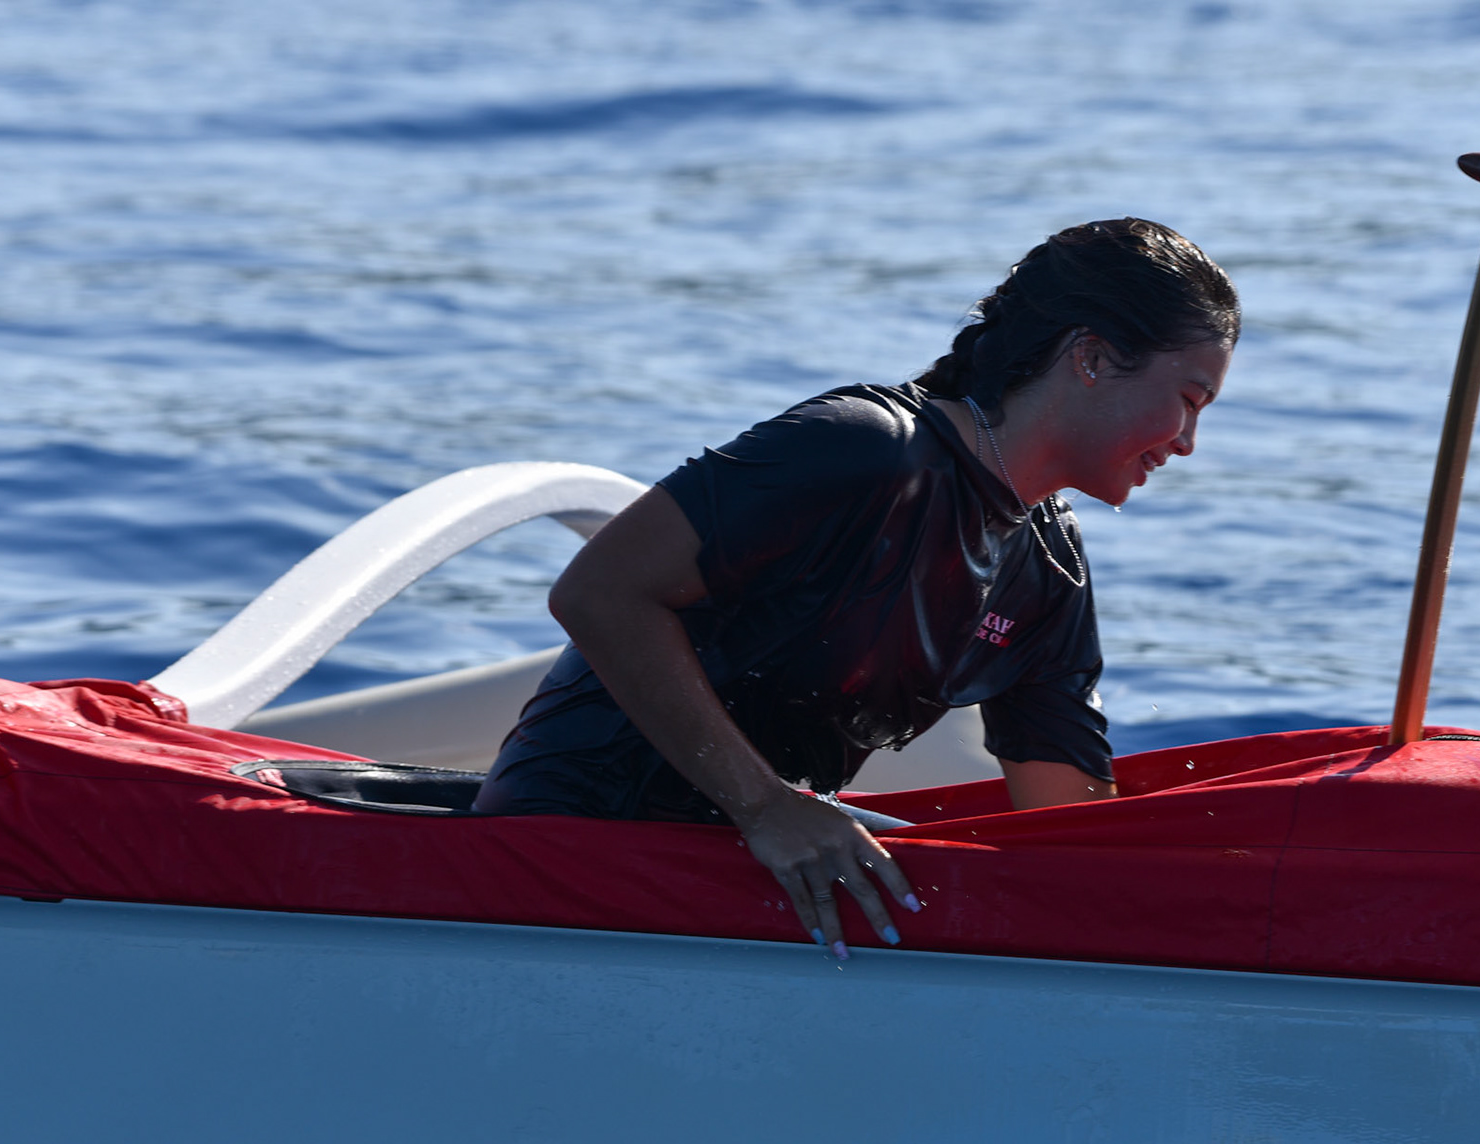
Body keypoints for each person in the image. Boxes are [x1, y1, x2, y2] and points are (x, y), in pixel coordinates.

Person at [474, 217, 1238, 958]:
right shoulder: (862, 447)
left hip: (746, 870)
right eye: (1189, 400)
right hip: (563, 854)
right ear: (1091, 357)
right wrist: (765, 806)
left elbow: (1065, 823)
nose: (1188, 443)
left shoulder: (1048, 565)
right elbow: (597, 593)